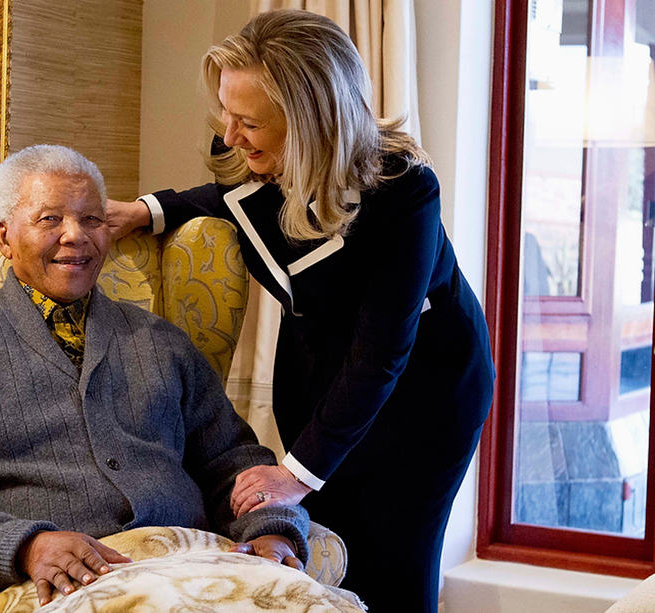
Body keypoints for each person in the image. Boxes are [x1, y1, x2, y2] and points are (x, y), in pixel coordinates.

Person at [107, 9, 495, 613]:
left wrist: (298, 472)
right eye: (226, 114)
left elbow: (382, 353)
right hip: (317, 385)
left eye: (250, 121)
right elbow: (230, 196)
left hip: (420, 398)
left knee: (394, 571)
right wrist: (149, 209)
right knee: (328, 562)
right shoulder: (244, 150)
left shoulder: (404, 194)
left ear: (311, 122)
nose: (230, 135)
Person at [0, 144, 310, 612]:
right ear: (5, 237)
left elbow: (233, 462)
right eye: (49, 219)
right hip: (52, 587)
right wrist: (29, 547)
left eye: (92, 219)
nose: (76, 236)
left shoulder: (163, 340)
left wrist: (271, 527)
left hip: (192, 565)